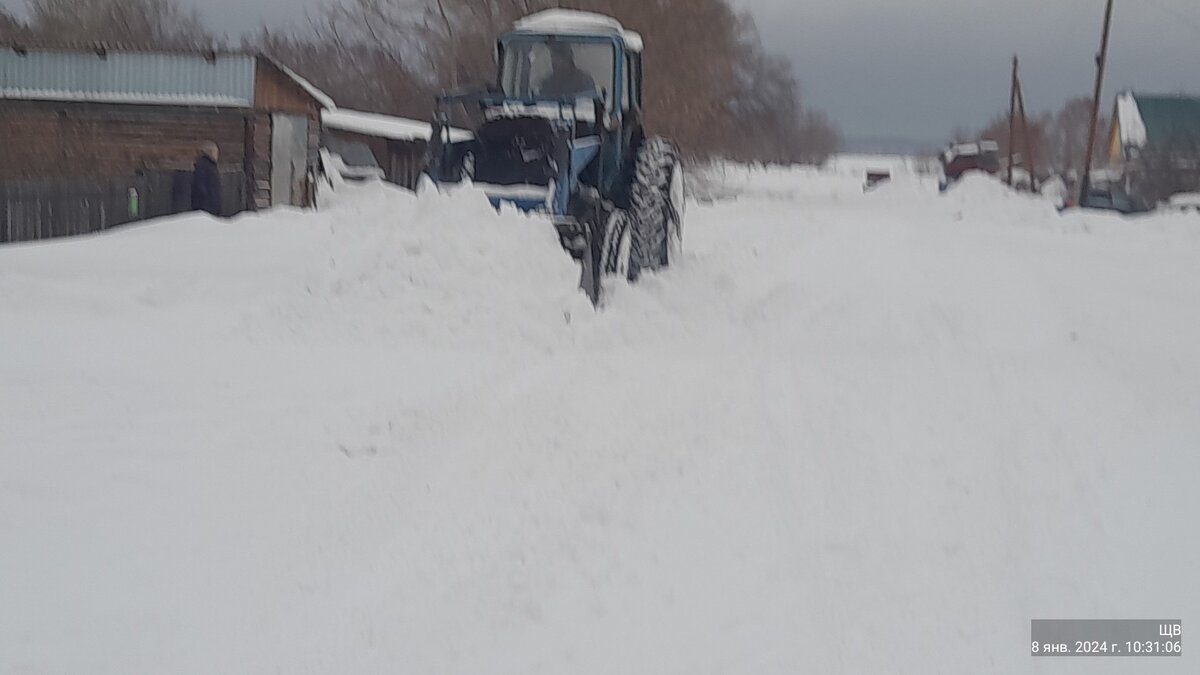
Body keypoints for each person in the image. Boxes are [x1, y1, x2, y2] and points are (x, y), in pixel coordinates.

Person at [191, 141, 222, 216]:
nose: (217, 155)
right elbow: (200, 184)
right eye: (216, 152)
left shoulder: (211, 165)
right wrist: (206, 201)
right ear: (210, 152)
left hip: (211, 203)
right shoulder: (203, 164)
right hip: (206, 205)